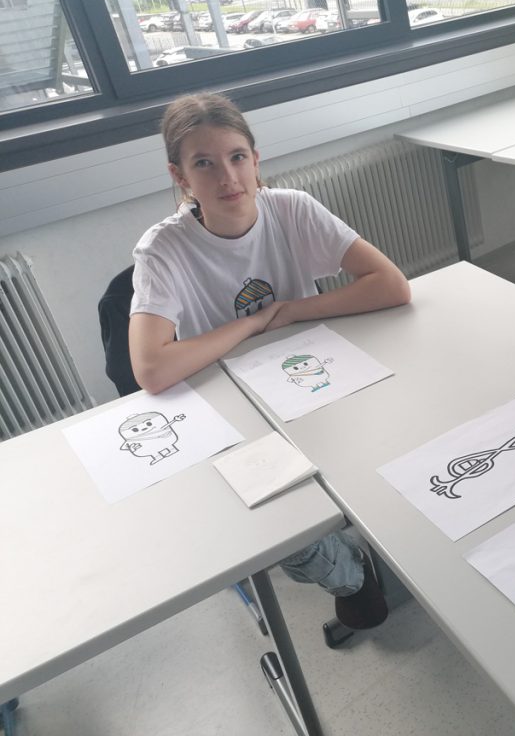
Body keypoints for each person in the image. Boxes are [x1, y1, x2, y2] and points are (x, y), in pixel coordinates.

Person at [129, 92, 411, 630]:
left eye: (237, 157)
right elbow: (152, 370)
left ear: (256, 159)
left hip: (315, 377)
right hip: (234, 403)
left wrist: (290, 311)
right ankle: (353, 573)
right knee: (286, 539)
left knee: (393, 439)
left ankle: (387, 532)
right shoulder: (162, 249)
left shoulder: (291, 208)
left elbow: (392, 285)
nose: (227, 177)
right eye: (204, 164)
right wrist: (255, 322)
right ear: (180, 177)